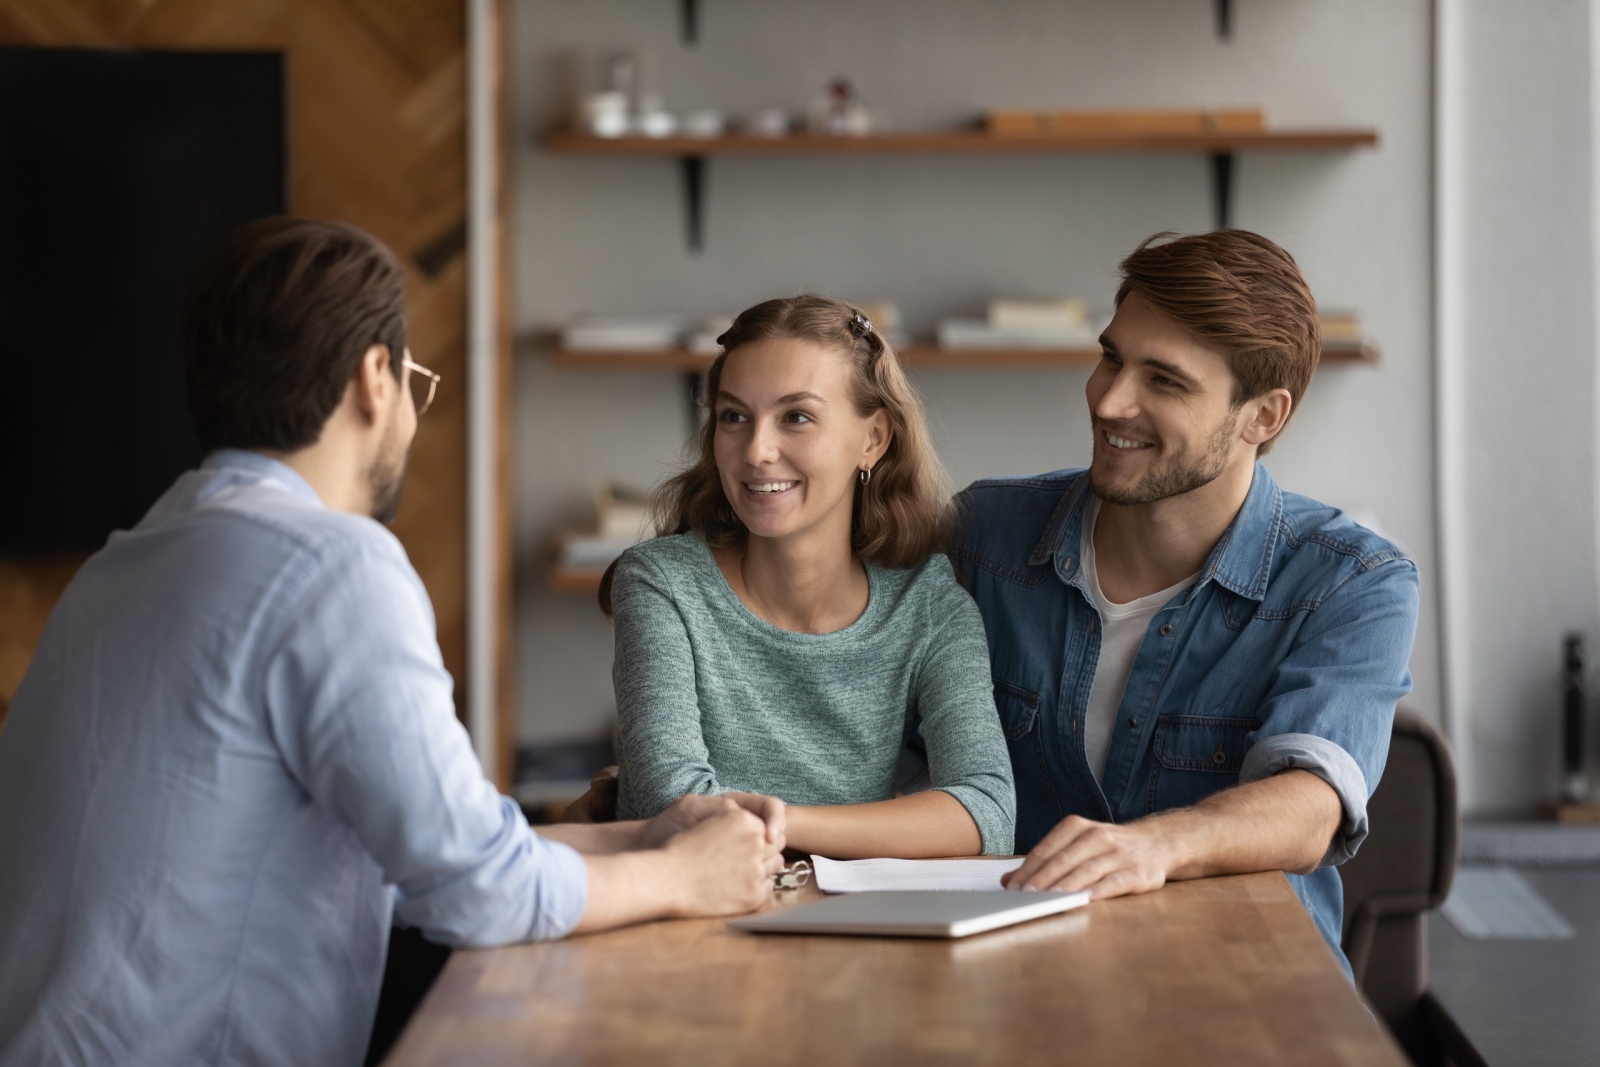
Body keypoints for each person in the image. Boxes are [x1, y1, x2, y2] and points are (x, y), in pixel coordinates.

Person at [0, 217, 784, 1067]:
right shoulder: (331, 564)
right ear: (376, 378)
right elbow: (478, 891)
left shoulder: (119, 568)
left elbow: (417, 852)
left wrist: (650, 834)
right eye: (414, 380)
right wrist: (683, 878)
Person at [957, 230, 1418, 963]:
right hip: (1018, 974)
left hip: (1242, 985)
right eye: (1111, 356)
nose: (1110, 401)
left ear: (1262, 416)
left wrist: (1156, 845)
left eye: (1164, 381)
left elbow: (1309, 803)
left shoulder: (1354, 580)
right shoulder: (983, 535)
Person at [603, 294, 1016, 859]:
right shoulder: (662, 585)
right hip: (690, 926)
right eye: (734, 417)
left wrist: (781, 822)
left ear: (873, 439)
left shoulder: (928, 606)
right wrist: (875, 827)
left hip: (855, 925)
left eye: (796, 416)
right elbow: (670, 806)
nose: (756, 450)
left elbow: (986, 814)